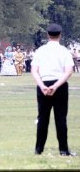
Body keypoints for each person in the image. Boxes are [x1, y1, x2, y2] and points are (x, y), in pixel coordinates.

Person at [31, 23, 76, 156]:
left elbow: (34, 70)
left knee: (42, 118)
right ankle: (63, 150)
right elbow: (68, 72)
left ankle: (38, 149)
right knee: (61, 118)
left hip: (43, 84)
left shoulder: (40, 51)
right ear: (60, 35)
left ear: (48, 35)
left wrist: (42, 86)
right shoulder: (64, 51)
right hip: (60, 85)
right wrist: (56, 86)